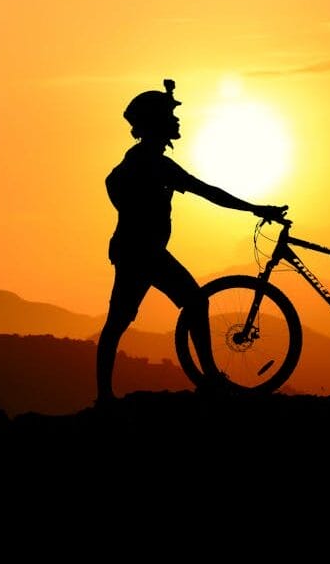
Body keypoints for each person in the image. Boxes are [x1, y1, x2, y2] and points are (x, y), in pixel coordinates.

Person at [95, 78, 287, 404]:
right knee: (175, 307)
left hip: (139, 251)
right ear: (156, 123)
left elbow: (113, 183)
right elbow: (208, 192)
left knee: (124, 319)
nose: (177, 120)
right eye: (171, 115)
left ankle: (111, 395)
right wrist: (257, 208)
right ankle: (207, 379)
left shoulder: (148, 160)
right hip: (142, 253)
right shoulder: (151, 163)